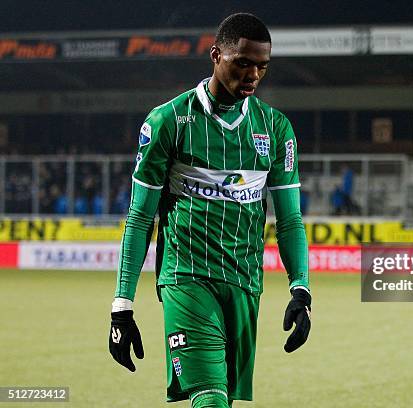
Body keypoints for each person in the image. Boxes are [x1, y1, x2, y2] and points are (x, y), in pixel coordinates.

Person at [107, 13, 311, 408]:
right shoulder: (169, 121)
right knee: (210, 396)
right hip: (186, 276)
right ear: (216, 55)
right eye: (243, 63)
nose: (253, 75)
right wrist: (122, 306)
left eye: (262, 67)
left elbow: (289, 220)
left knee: (222, 398)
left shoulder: (276, 129)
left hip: (244, 282)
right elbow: (139, 218)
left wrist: (300, 288)